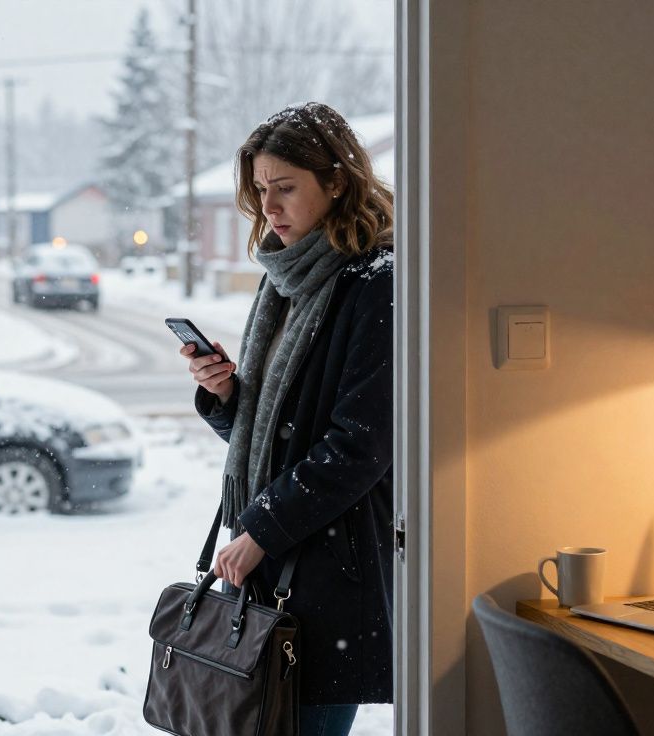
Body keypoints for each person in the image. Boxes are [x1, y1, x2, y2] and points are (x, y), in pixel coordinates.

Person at [178, 101, 394, 736]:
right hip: (270, 555)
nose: (268, 208)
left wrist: (261, 531)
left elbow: (361, 443)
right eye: (261, 190)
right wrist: (225, 397)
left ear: (337, 181)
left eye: (286, 188)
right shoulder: (286, 281)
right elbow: (276, 432)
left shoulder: (376, 282)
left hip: (327, 564)